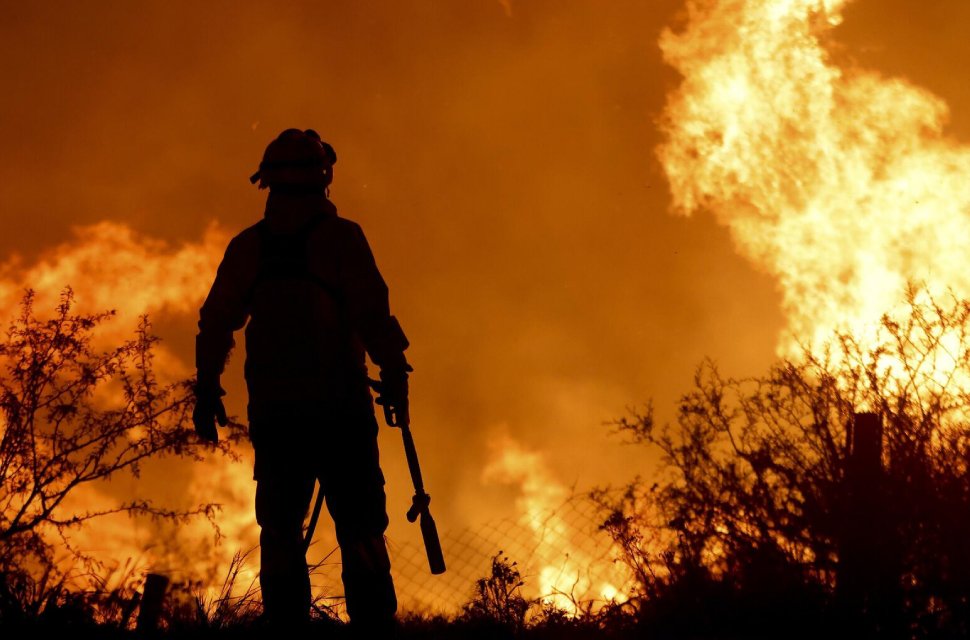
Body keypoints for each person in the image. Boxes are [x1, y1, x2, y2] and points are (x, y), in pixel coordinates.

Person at [192, 128, 410, 633]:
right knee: (360, 529)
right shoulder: (343, 239)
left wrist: (207, 390)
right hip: (342, 412)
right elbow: (374, 317)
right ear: (324, 177)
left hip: (277, 416)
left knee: (281, 534)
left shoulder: (248, 247)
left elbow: (215, 323)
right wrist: (395, 376)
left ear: (266, 181)